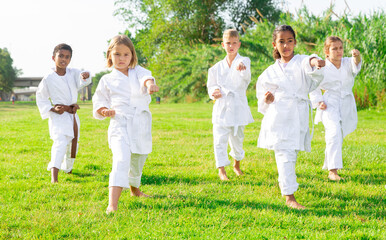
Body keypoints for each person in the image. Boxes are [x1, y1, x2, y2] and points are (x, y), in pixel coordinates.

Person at [256, 25, 325, 209]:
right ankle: (289, 197)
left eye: (289, 41)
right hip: (278, 117)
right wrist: (267, 99)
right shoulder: (269, 72)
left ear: (295, 42)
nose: (286, 46)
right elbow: (261, 100)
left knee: (291, 154)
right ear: (274, 45)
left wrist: (316, 62)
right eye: (281, 42)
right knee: (284, 154)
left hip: (297, 115)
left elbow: (310, 62)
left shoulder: (302, 61)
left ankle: (288, 188)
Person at [92, 35, 159, 213]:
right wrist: (104, 110)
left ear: (132, 56)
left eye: (126, 55)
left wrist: (150, 84)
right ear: (109, 55)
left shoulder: (138, 71)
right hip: (119, 124)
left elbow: (147, 77)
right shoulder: (106, 80)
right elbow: (99, 101)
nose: (121, 59)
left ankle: (135, 190)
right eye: (117, 54)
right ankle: (112, 205)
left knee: (138, 158)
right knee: (121, 159)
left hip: (140, 123)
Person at [36, 43, 91, 183]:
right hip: (59, 114)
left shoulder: (73, 73)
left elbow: (82, 81)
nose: (63, 59)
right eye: (60, 56)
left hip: (72, 114)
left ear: (70, 59)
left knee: (73, 143)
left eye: (67, 57)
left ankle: (68, 168)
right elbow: (41, 96)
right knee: (60, 142)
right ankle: (54, 176)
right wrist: (52, 109)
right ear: (53, 57)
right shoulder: (48, 78)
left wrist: (85, 76)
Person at [309, 36, 361, 181]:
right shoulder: (323, 65)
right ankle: (333, 171)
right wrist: (319, 101)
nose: (339, 51)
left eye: (340, 48)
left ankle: (330, 163)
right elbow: (313, 85)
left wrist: (356, 56)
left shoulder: (346, 62)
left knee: (338, 135)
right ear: (326, 51)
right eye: (334, 49)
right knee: (333, 132)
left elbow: (355, 64)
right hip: (329, 103)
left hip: (346, 102)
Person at [207, 29, 254, 181]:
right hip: (221, 107)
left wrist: (241, 66)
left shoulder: (244, 61)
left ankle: (236, 164)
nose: (231, 46)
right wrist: (214, 91)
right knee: (219, 140)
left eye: (234, 43)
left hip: (238, 107)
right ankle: (221, 170)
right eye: (228, 43)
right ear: (223, 45)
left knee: (237, 140)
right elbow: (211, 85)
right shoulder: (215, 68)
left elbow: (245, 73)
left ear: (239, 44)